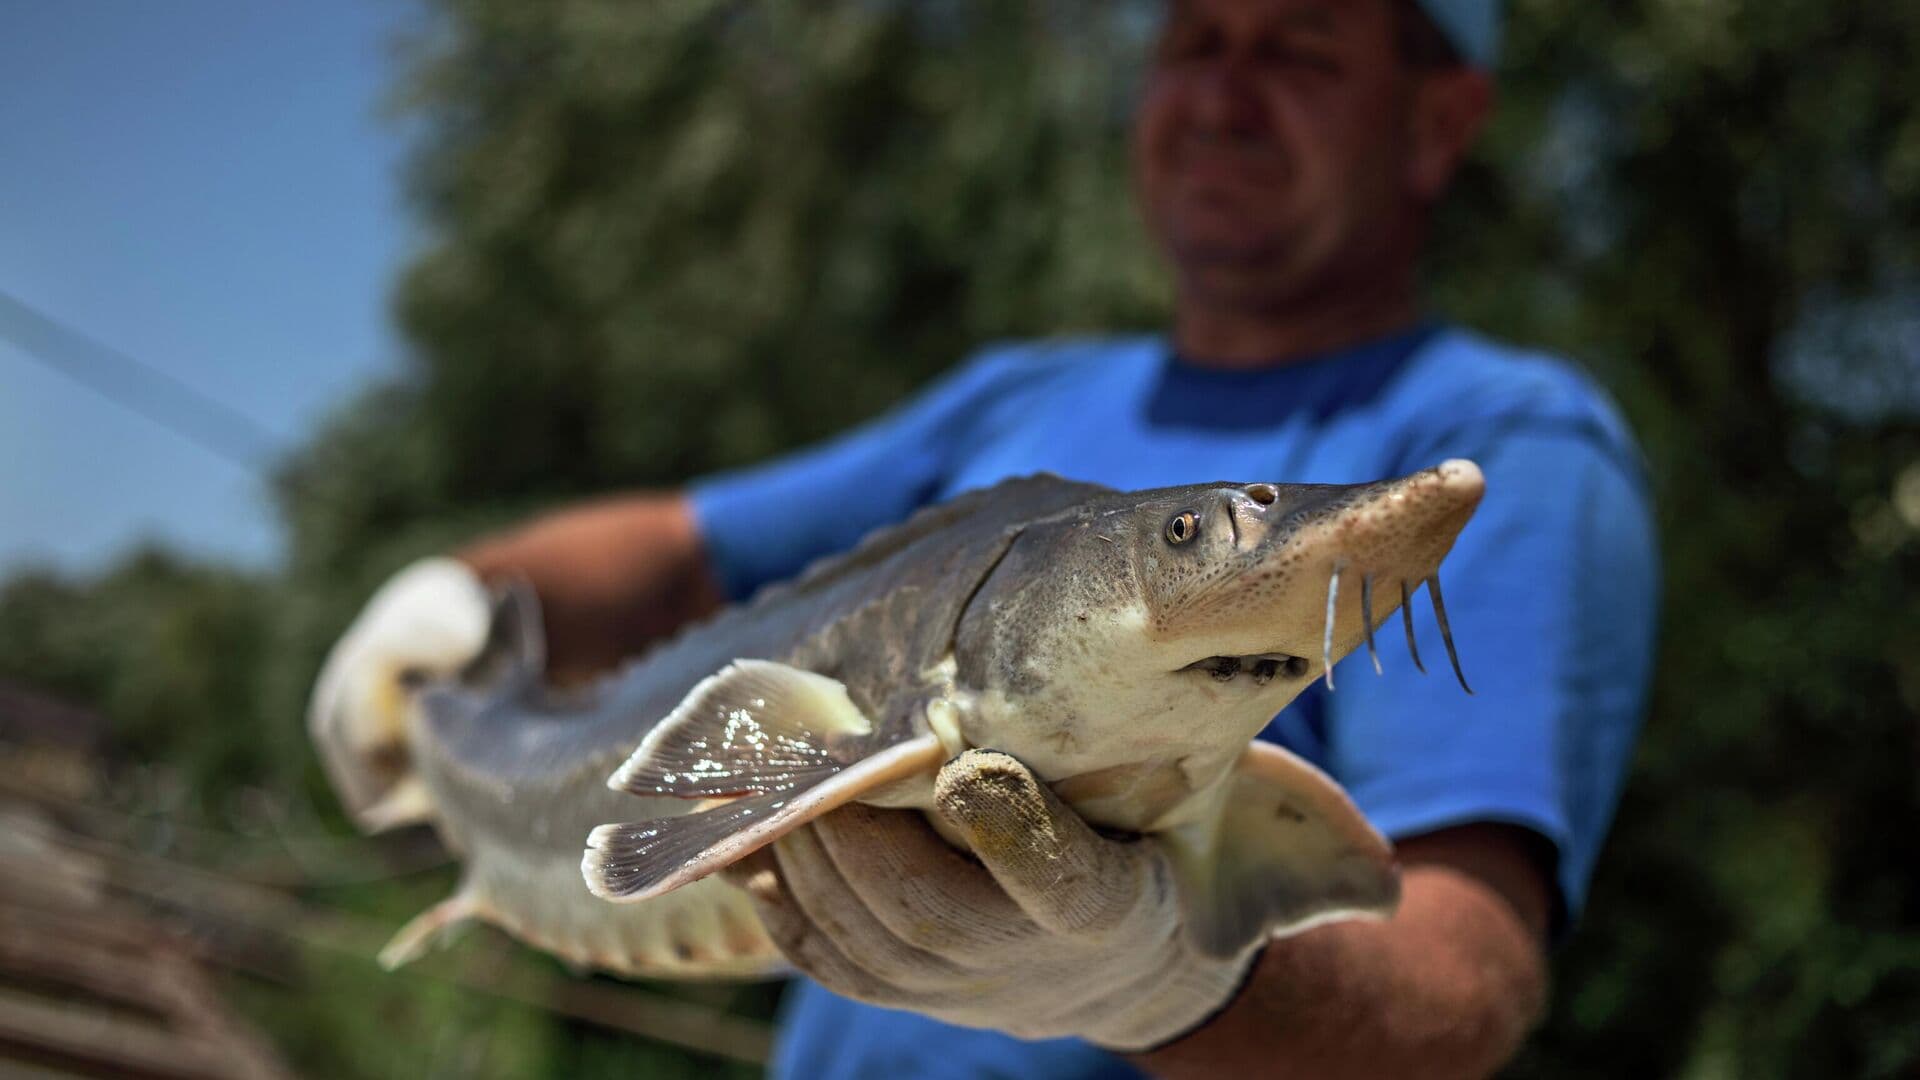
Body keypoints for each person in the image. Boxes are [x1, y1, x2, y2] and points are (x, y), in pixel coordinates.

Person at [314, 0, 1659, 1076]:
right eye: (1193, 39)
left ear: (1438, 122)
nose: (1221, 93)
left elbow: (1463, 980)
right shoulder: (1022, 400)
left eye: (1301, 49)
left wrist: (1171, 974)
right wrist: (447, 599)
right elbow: (679, 550)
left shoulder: (1506, 434)